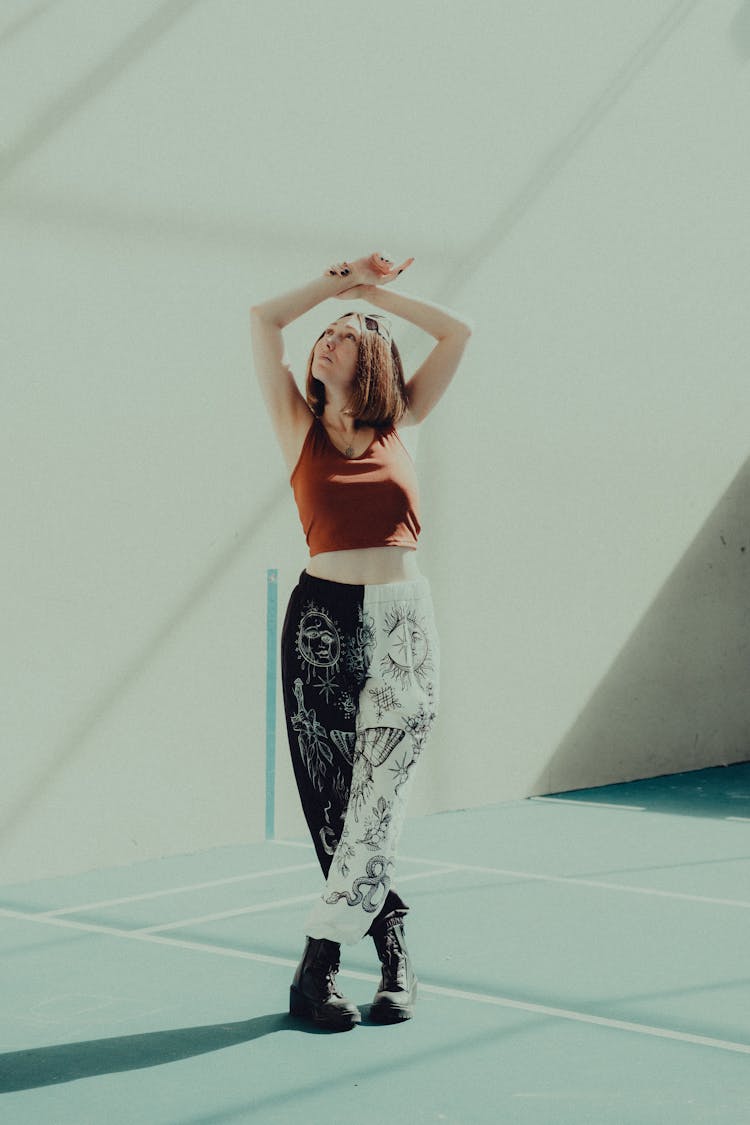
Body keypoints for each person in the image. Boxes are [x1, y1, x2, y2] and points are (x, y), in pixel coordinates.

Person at [250, 252, 471, 1030]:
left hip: (404, 623)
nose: (325, 339)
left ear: (372, 356)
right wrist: (333, 283)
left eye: (342, 333)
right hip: (320, 625)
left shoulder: (401, 419)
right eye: (324, 336)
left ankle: (319, 959)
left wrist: (375, 296)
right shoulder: (298, 430)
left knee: (384, 794)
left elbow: (459, 331)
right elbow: (264, 322)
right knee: (336, 806)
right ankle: (392, 945)